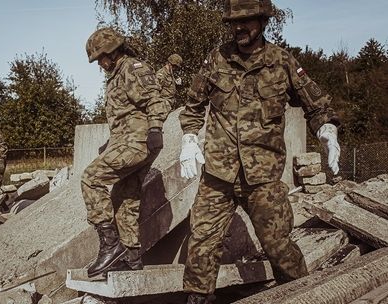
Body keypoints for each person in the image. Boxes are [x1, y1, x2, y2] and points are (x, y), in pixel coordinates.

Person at [178, 0, 341, 303]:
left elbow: (316, 105)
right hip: (218, 174)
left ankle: (302, 297)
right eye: (232, 22)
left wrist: (327, 131)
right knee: (201, 243)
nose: (238, 28)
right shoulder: (216, 59)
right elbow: (193, 106)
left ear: (263, 22)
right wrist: (188, 138)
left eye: (246, 22)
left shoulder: (282, 62)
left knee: (278, 246)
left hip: (263, 177)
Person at [81, 27, 171, 278]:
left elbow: (155, 99)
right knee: (124, 198)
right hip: (128, 140)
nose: (100, 63)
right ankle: (131, 258)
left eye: (101, 58)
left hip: (138, 142)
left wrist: (155, 129)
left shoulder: (132, 68)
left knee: (91, 178)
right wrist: (111, 142)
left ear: (112, 51)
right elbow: (126, 115)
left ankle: (110, 246)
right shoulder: (118, 73)